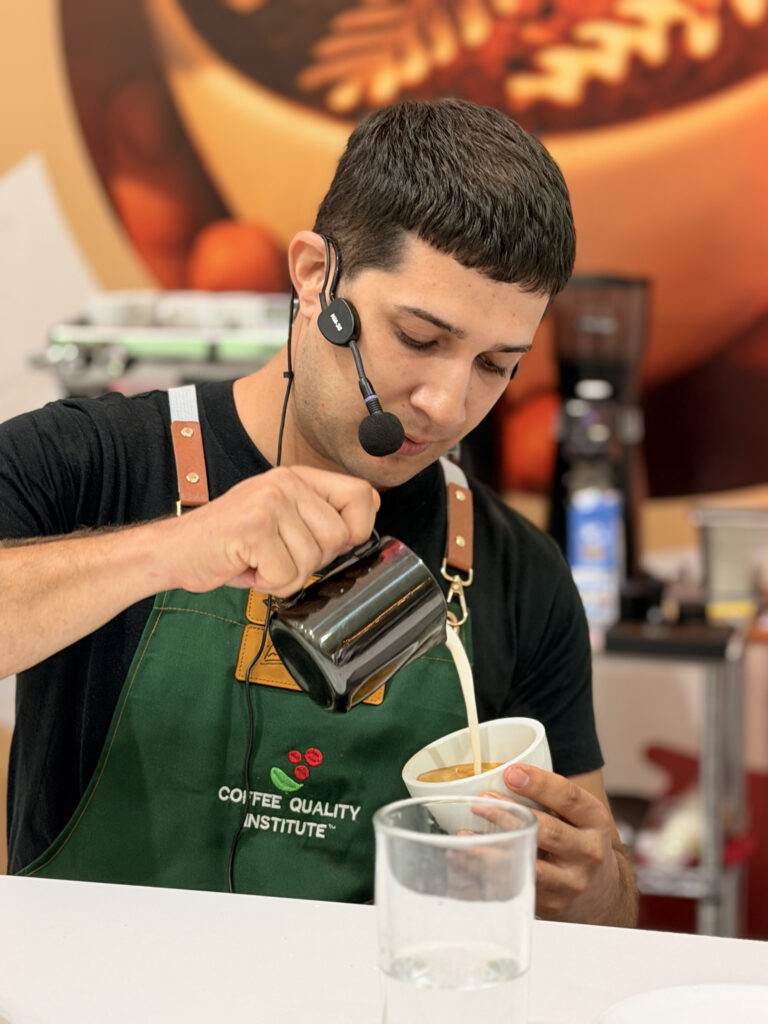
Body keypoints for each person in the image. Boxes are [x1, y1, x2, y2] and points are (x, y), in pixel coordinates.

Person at [0, 98, 637, 925]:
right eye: (419, 338)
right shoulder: (85, 460)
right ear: (314, 278)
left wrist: (595, 884)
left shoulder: (521, 571)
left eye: (495, 364)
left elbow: (606, 914)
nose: (448, 405)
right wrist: (170, 549)